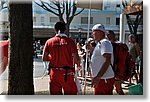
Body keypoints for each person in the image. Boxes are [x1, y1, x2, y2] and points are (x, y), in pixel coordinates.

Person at [42, 21, 80, 95]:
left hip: (54, 73)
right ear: (65, 29)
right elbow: (76, 59)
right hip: (67, 73)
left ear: (55, 30)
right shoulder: (70, 42)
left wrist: (54, 57)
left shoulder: (49, 42)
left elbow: (44, 58)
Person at [91, 24, 114, 95]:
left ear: (100, 32)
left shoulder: (104, 43)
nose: (92, 34)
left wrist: (98, 77)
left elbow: (107, 60)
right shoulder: (100, 43)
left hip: (104, 79)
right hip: (102, 79)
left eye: (94, 32)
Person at [107, 30, 125, 95]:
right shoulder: (109, 44)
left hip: (117, 70)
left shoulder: (118, 45)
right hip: (112, 70)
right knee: (115, 88)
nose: (107, 36)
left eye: (109, 34)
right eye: (107, 35)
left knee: (118, 89)